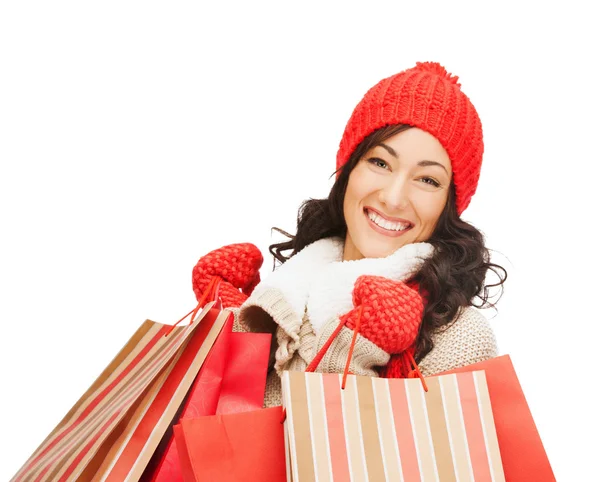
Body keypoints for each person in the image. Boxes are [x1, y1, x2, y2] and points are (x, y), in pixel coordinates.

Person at [191, 61, 507, 407]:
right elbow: (200, 440)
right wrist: (228, 325)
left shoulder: (459, 339)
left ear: (449, 206)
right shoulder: (281, 299)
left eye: (427, 180)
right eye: (380, 163)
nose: (393, 197)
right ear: (348, 169)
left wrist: (357, 348)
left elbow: (392, 459)